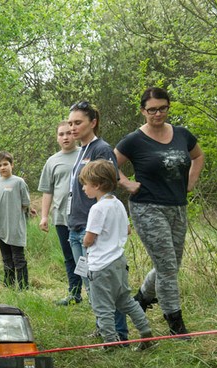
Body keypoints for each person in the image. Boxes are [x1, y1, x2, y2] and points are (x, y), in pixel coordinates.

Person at [115, 87, 205, 337]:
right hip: (147, 207)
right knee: (167, 267)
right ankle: (174, 322)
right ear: (143, 111)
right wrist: (125, 182)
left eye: (162, 108)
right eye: (152, 109)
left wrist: (191, 182)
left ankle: (142, 298)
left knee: (171, 265)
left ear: (168, 107)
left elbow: (198, 156)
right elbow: (108, 161)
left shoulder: (182, 134)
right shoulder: (134, 139)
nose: (157, 113)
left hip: (177, 207)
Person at [66, 101, 128, 341]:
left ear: (93, 122)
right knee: (89, 283)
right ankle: (104, 327)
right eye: (70, 123)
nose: (73, 127)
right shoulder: (81, 149)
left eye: (78, 122)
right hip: (75, 224)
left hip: (90, 230)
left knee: (104, 286)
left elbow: (108, 188)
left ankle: (118, 333)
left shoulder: (101, 149)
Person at [80, 160, 155, 351]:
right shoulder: (118, 204)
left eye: (85, 184)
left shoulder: (97, 209)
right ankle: (146, 332)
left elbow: (90, 238)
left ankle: (111, 344)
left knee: (102, 307)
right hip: (119, 261)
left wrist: (84, 241)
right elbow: (128, 230)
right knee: (125, 300)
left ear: (97, 185)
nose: (83, 188)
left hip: (101, 266)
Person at [39, 121, 82, 304]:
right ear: (57, 137)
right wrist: (43, 216)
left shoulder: (85, 155)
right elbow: (47, 191)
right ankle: (74, 294)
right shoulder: (52, 161)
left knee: (85, 258)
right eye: (61, 134)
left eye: (68, 133)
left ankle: (93, 293)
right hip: (61, 218)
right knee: (69, 257)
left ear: (75, 134)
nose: (65, 137)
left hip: (82, 217)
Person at [0, 152, 30, 289]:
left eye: (5, 164)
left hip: (15, 227)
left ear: (12, 165)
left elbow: (25, 203)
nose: (3, 167)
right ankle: (8, 286)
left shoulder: (19, 182)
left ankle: (23, 287)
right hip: (1, 228)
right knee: (6, 258)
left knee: (18, 258)